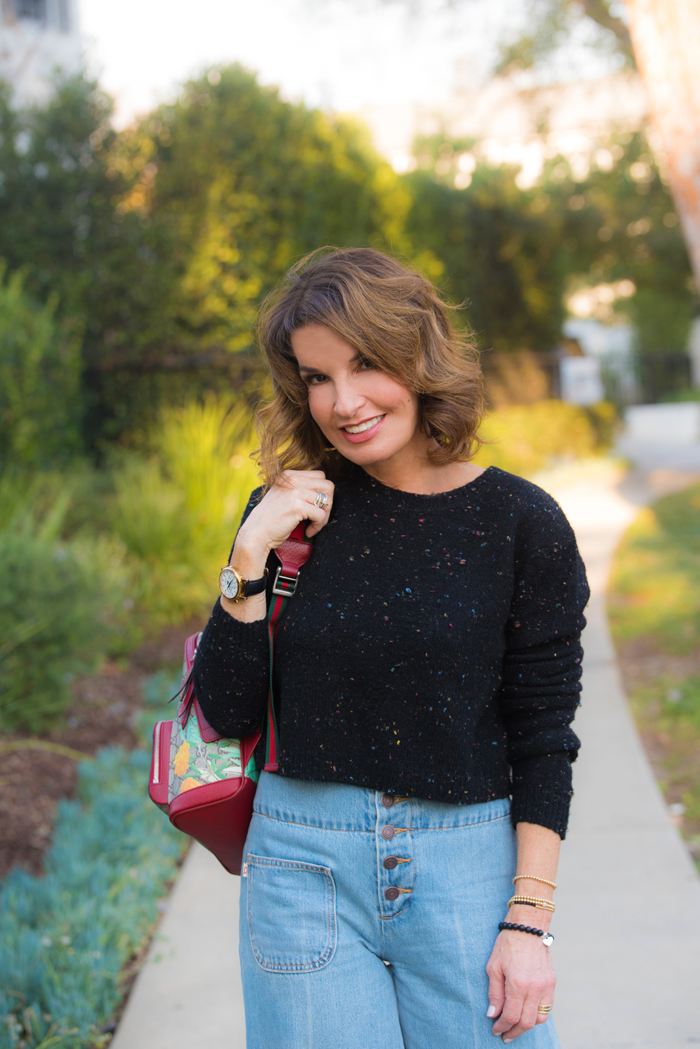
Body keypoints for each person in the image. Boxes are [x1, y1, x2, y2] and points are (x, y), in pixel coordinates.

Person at [192, 247, 589, 1049]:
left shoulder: (520, 523)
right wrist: (245, 560)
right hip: (302, 868)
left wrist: (529, 922)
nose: (343, 402)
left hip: (466, 870)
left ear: (420, 352)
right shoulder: (290, 515)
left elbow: (545, 739)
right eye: (315, 377)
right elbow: (226, 711)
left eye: (365, 363)